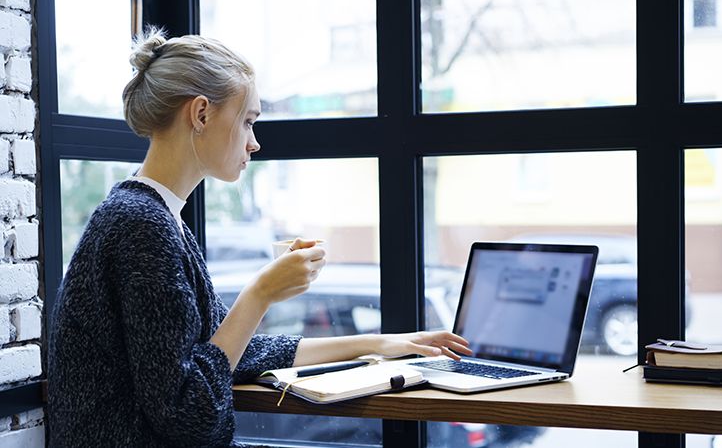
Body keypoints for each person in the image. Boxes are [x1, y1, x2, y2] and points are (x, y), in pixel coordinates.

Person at [47, 28, 471, 447]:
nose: (255, 142)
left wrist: (381, 342)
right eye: (248, 121)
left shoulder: (152, 216)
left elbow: (230, 350)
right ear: (201, 114)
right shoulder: (140, 227)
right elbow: (188, 415)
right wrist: (260, 294)